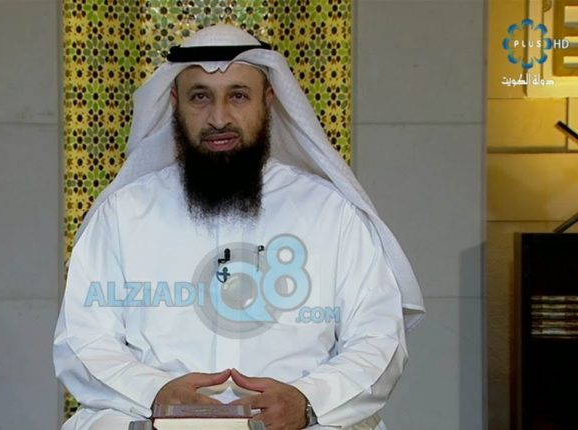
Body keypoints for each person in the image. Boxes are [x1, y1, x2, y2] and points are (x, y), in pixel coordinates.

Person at [54, 24, 425, 430]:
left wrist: (308, 400)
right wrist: (155, 394)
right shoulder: (123, 212)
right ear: (175, 103)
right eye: (200, 97)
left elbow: (377, 337)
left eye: (238, 96)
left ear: (268, 100)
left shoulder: (331, 212)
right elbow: (83, 339)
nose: (219, 118)